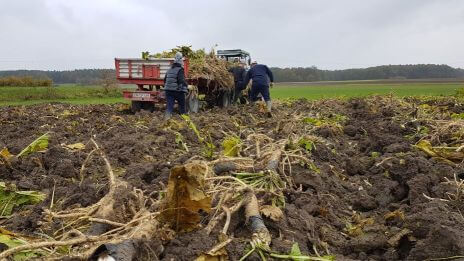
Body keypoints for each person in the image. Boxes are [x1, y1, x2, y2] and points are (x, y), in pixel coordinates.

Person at [163, 52, 188, 119]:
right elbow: (181, 80)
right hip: (177, 91)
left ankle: (167, 120)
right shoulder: (180, 70)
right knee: (182, 106)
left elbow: (165, 80)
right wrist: (187, 86)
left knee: (169, 107)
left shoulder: (169, 70)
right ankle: (185, 119)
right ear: (180, 61)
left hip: (168, 91)